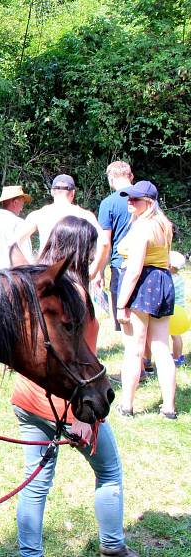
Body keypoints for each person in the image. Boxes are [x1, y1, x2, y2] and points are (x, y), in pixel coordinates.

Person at [12, 215, 138, 557]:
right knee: (109, 471)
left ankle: (29, 554)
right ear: (81, 249)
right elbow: (76, 364)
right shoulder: (72, 295)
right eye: (94, 247)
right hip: (69, 403)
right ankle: (113, 546)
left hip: (27, 397)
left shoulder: (39, 285)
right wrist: (80, 417)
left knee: (35, 481)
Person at [115, 180, 176, 419]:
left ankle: (126, 405)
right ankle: (169, 407)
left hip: (143, 284)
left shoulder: (143, 228)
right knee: (161, 348)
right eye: (129, 197)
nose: (130, 201)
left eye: (135, 199)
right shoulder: (164, 225)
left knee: (134, 349)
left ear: (148, 203)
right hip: (162, 282)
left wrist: (121, 305)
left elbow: (134, 270)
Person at [12, 174, 109, 283]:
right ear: (73, 193)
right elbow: (105, 242)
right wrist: (94, 270)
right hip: (75, 277)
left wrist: (30, 268)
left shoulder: (38, 215)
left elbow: (13, 243)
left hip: (47, 276)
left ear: (52, 192)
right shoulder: (85, 215)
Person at [98, 161, 134, 332]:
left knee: (124, 316)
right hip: (149, 263)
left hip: (121, 265)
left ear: (111, 179)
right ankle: (147, 355)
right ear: (131, 176)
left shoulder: (108, 203)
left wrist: (99, 272)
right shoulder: (147, 197)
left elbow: (105, 243)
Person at [169, 251, 186, 366]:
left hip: (173, 310)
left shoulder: (171, 280)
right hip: (180, 310)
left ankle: (176, 358)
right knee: (177, 335)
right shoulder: (179, 278)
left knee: (174, 335)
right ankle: (178, 355)